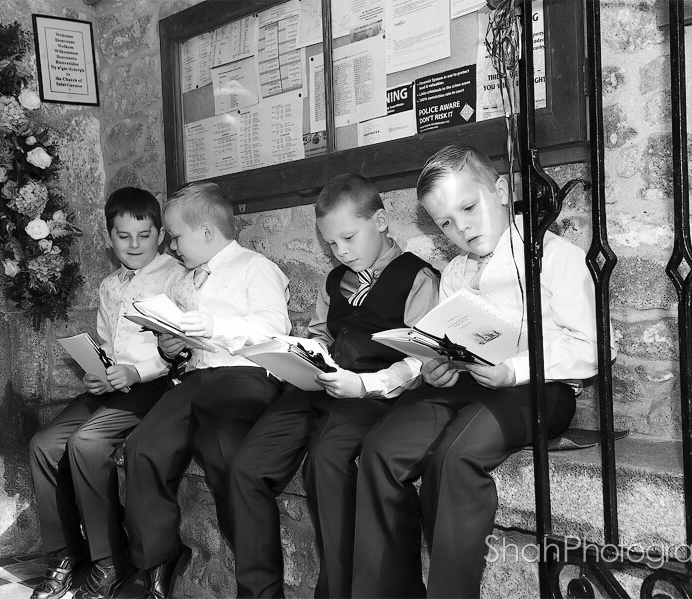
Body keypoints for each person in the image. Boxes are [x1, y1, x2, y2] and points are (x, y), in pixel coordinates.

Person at [352, 145, 607, 598]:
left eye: (468, 208)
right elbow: (449, 339)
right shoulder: (454, 273)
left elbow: (592, 349)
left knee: (456, 456)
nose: (461, 227)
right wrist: (437, 367)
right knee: (380, 448)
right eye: (446, 222)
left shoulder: (553, 254)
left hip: (537, 388)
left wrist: (513, 370)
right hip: (467, 385)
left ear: (503, 191)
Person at [229, 173, 440, 599]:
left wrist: (363, 384)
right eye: (330, 245)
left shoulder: (417, 277)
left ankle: (339, 591)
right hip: (318, 386)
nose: (340, 251)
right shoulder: (335, 280)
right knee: (246, 466)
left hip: (375, 394)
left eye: (348, 237)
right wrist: (299, 357)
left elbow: (424, 357)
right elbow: (323, 333)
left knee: (326, 462)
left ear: (380, 221)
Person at [123, 181, 291, 599]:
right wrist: (169, 343)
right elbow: (182, 339)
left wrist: (217, 328)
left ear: (207, 233)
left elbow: (275, 330)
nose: (173, 247)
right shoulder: (184, 281)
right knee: (142, 447)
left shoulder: (256, 267)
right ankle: (155, 565)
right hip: (194, 377)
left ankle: (260, 590)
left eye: (176, 236)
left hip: (242, 376)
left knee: (226, 458)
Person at [29, 187, 185, 599]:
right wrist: (96, 373)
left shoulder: (175, 277)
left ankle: (109, 558)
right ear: (109, 238)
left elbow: (181, 345)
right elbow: (107, 342)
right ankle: (65, 553)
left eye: (144, 235)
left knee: (88, 443)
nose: (134, 245)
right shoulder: (109, 284)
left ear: (161, 236)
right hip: (112, 387)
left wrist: (137, 371)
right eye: (123, 236)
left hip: (154, 386)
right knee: (43, 444)